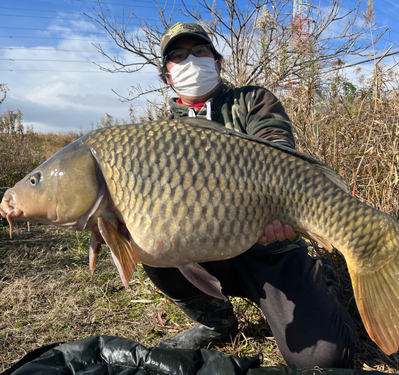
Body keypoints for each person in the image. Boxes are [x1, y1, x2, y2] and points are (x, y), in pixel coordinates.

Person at [140, 22, 357, 369]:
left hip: (270, 247)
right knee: (147, 244)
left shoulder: (253, 99)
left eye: (200, 51)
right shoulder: (160, 135)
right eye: (178, 56)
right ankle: (215, 320)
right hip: (208, 251)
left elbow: (279, 150)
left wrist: (275, 208)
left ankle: (322, 278)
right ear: (167, 76)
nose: (191, 60)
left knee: (324, 359)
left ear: (217, 62)